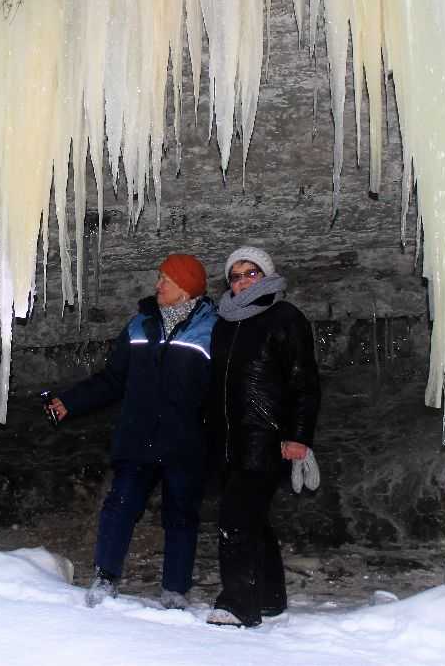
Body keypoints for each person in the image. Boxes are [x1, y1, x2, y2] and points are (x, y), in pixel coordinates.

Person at [47, 253, 217, 610]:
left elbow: (222, 392)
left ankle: (175, 590)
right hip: (137, 437)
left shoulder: (212, 330)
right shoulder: (140, 325)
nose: (158, 285)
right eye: (160, 278)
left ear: (186, 290)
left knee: (181, 515)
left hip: (185, 442)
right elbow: (112, 379)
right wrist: (71, 402)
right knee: (119, 507)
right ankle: (105, 578)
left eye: (166, 280)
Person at [206, 245, 320, 628]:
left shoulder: (285, 318)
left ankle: (238, 604)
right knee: (254, 520)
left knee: (235, 519)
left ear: (266, 275)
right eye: (235, 276)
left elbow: (304, 382)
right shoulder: (223, 323)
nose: (241, 282)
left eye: (250, 273)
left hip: (265, 438)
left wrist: (298, 436)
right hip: (227, 440)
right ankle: (271, 598)